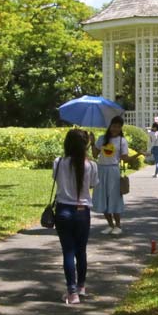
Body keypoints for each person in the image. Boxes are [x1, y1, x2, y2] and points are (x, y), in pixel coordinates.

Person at [53, 129, 99, 305]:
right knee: (81, 251)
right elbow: (94, 184)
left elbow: (56, 181)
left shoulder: (58, 163)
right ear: (85, 145)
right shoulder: (91, 165)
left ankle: (72, 292)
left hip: (64, 210)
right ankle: (81, 287)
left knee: (68, 251)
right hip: (82, 211)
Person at [91, 115, 129, 235]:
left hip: (113, 171)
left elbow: (125, 158)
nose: (115, 129)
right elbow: (95, 155)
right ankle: (110, 225)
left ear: (121, 128)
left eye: (118, 127)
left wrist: (139, 154)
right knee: (102, 197)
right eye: (113, 126)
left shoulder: (122, 141)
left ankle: (118, 225)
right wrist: (92, 142)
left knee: (114, 197)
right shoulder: (102, 139)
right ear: (110, 126)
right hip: (101, 170)